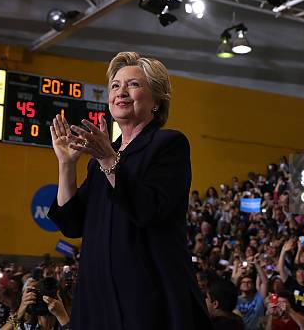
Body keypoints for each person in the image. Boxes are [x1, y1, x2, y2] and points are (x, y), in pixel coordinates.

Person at [47, 51, 211, 329]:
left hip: (146, 298)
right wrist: (66, 165)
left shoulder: (168, 144)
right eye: (115, 85)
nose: (121, 91)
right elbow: (72, 224)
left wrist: (109, 160)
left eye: (133, 84)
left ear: (157, 100)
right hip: (96, 300)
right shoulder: (100, 160)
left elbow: (148, 210)